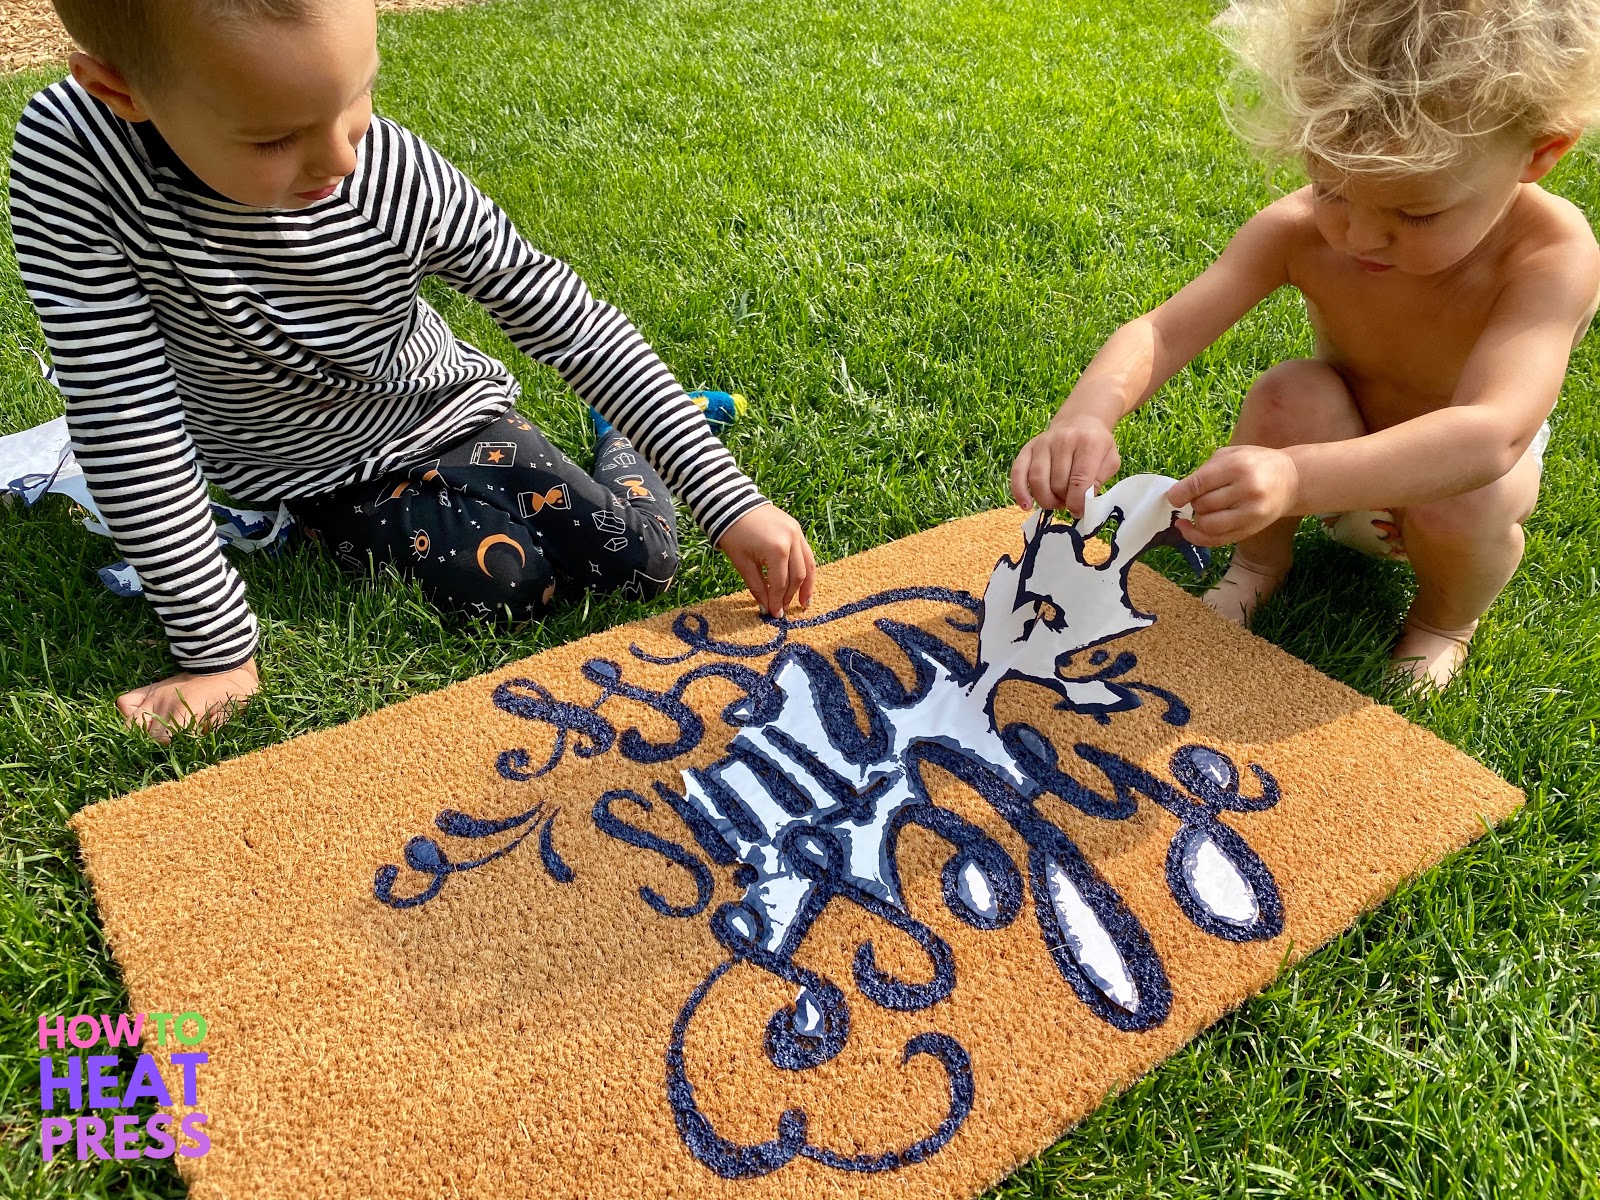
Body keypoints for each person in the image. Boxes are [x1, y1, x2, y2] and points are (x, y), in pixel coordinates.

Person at [9, 0, 816, 742]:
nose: (340, 159)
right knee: (500, 586)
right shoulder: (73, 159)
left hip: (446, 410)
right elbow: (125, 410)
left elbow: (567, 317)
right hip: (306, 471)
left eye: (358, 97)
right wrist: (216, 648)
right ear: (119, 91)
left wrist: (730, 499)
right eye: (272, 138)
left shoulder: (394, 176)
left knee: (638, 560)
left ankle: (621, 435)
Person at [1010, 0, 1600, 690]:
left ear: (1540, 154)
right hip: (1337, 429)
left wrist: (1295, 478)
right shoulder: (1298, 230)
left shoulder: (1550, 256)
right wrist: (1086, 415)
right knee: (1287, 392)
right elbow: (1162, 330)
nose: (1357, 236)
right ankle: (1258, 566)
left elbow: (1490, 434)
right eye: (1330, 188)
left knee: (1477, 493)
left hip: (1454, 477)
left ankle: (1442, 621)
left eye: (1415, 212)